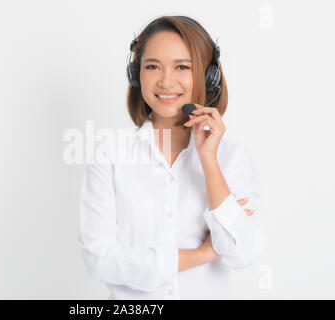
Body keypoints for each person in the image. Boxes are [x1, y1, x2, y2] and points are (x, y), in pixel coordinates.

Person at [78, 15, 265, 299]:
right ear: (135, 74)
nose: (166, 81)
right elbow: (100, 260)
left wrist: (209, 161)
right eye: (152, 66)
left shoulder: (232, 159)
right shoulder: (112, 155)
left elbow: (242, 254)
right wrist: (202, 254)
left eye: (182, 67)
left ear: (207, 75)